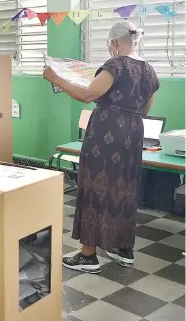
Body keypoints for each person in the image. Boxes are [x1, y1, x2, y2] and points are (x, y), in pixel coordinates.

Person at [43, 21, 160, 274]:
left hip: (106, 131)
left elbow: (87, 95)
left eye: (109, 43)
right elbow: (146, 109)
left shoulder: (115, 65)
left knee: (96, 185)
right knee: (124, 187)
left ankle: (88, 255)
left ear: (115, 43)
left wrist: (55, 78)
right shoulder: (149, 70)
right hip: (133, 132)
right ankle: (123, 249)